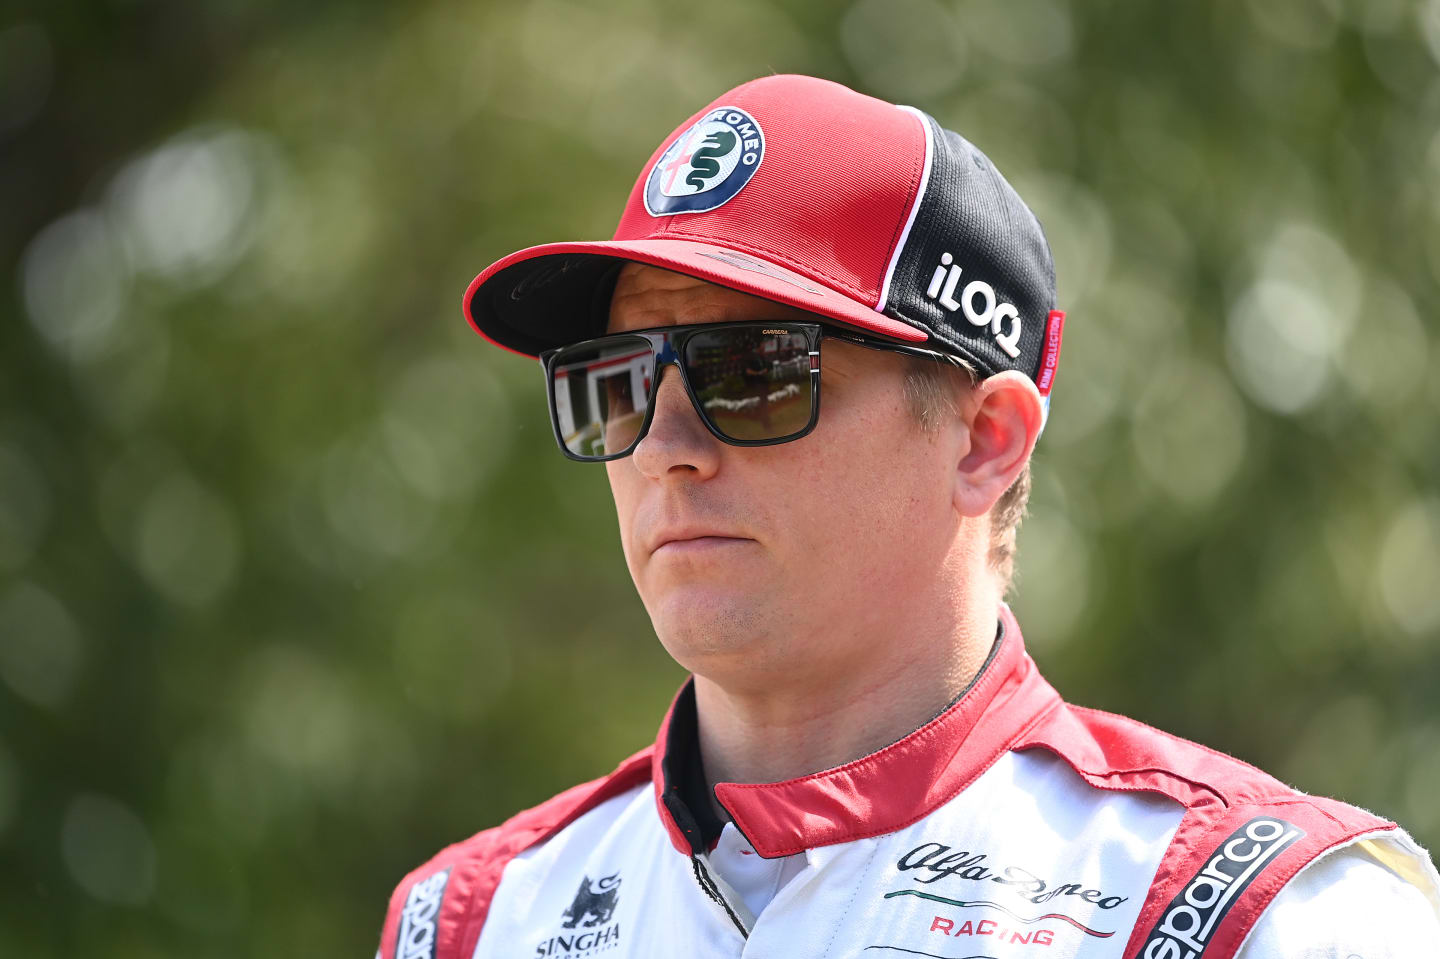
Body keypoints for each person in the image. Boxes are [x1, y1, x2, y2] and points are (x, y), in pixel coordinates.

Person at [377, 75, 1440, 959]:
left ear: (986, 440)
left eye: (751, 373)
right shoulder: (466, 922)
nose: (663, 445)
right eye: (614, 380)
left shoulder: (1269, 916)